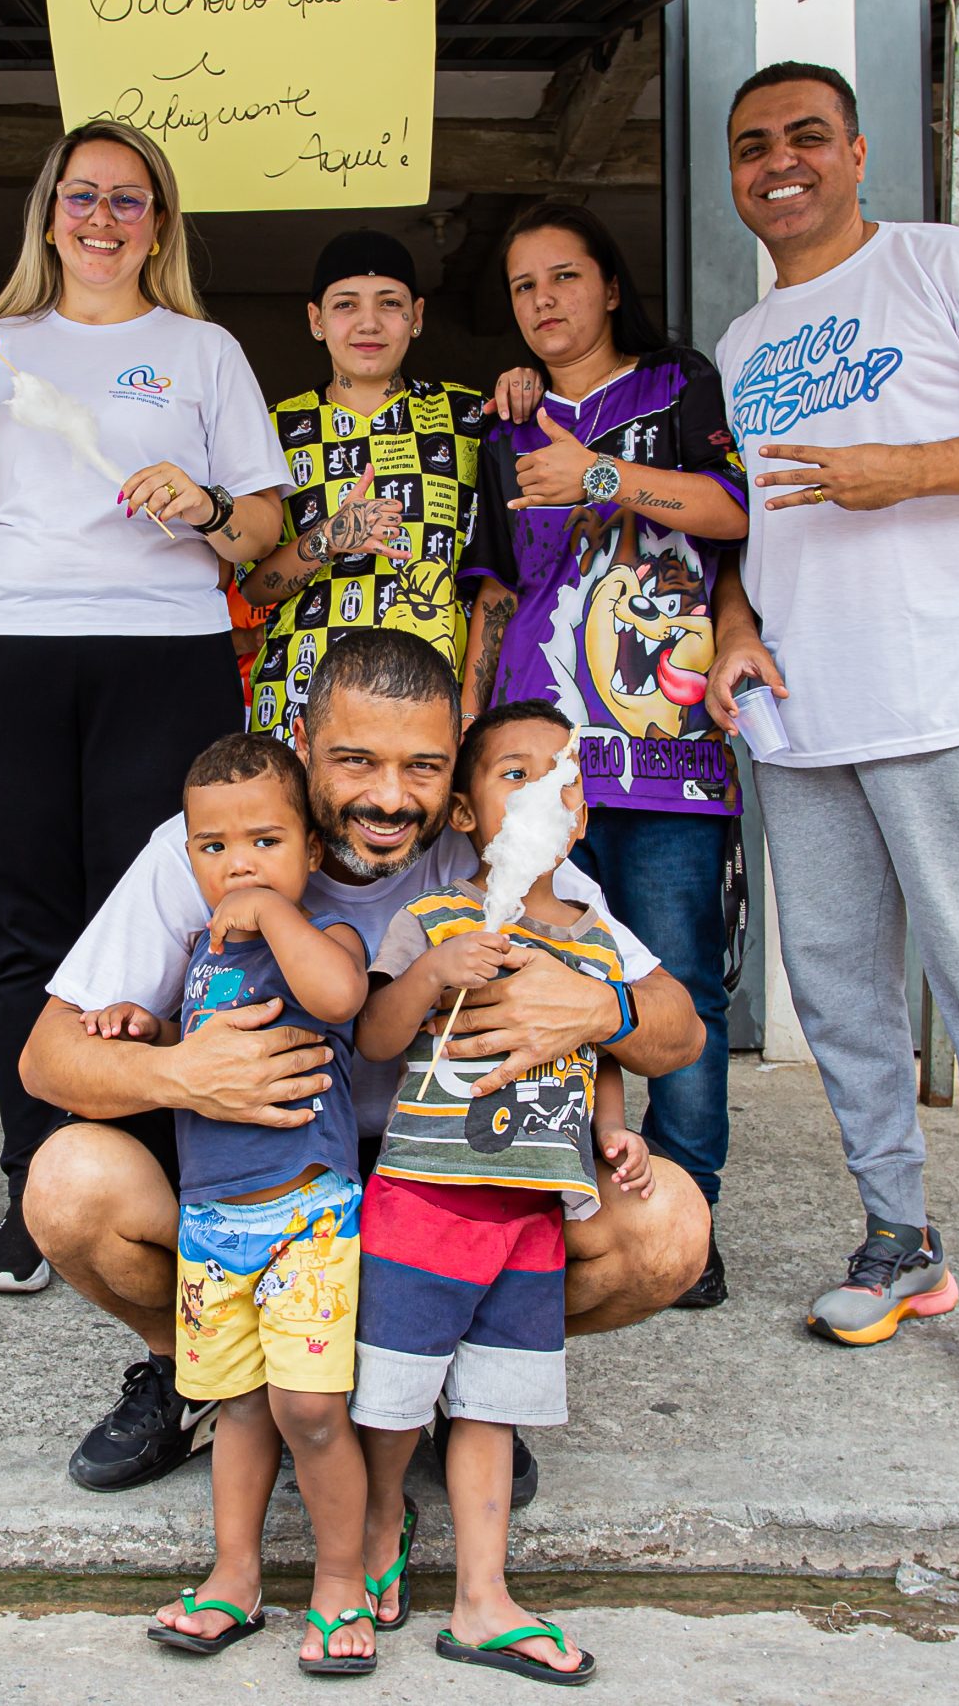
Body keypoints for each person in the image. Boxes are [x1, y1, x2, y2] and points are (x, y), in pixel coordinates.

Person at [19, 629, 710, 1502]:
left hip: (438, 1174)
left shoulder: (500, 842)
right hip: (265, 1171)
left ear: (456, 770)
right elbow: (47, 1057)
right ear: (304, 743)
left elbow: (680, 1031)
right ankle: (196, 1371)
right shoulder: (222, 837)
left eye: (423, 767)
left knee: (668, 1228)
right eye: (356, 761)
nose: (389, 798)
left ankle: (463, 1375)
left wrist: (601, 1007)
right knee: (68, 1184)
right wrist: (183, 1074)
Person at [705, 63, 959, 1408]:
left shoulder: (951, 268)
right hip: (805, 713)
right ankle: (901, 1238)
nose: (780, 161)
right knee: (837, 994)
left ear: (857, 151)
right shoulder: (745, 343)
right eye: (753, 144)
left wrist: (912, 470)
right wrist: (732, 624)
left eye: (805, 136)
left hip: (950, 695)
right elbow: (753, 526)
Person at [0, 120, 292, 1295]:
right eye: (81, 196)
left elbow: (261, 532)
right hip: (4, 655)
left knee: (151, 931)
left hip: (162, 657)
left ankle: (140, 1181)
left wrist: (205, 504)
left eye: (127, 198)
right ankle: (39, 1186)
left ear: (158, 224)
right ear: (50, 214)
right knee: (26, 933)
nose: (102, 217)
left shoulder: (203, 351)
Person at [473, 202, 750, 1309]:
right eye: (524, 285)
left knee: (678, 984)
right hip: (544, 757)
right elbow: (497, 592)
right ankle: (560, 1197)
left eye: (565, 276)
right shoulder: (505, 424)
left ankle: (687, 1214)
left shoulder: (679, 388)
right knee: (543, 971)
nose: (545, 301)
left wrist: (599, 477)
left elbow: (731, 511)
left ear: (610, 285)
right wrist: (471, 738)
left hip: (668, 753)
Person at [352, 700, 656, 1684]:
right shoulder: (435, 919)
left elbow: (603, 1060)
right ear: (467, 814)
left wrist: (613, 1133)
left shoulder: (597, 946)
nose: (541, 792)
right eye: (513, 774)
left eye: (561, 777)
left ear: (581, 812)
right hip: (424, 1204)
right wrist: (433, 974)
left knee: (490, 1407)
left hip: (531, 1220)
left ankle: (482, 1598)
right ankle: (377, 1522)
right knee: (392, 1401)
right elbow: (375, 1038)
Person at [85, 735, 376, 1674]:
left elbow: (341, 996)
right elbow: (197, 1040)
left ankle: (341, 1580)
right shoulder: (201, 954)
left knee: (312, 1408)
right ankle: (234, 1576)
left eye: (265, 842)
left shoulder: (326, 939)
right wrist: (151, 1028)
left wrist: (272, 911)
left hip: (306, 1221)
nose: (239, 864)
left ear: (312, 851)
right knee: (238, 1406)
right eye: (214, 848)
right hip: (214, 1229)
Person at [238, 231, 488, 744]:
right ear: (316, 319)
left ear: (417, 316)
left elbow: (499, 578)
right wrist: (328, 539)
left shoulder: (471, 418)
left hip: (431, 704)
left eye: (390, 303)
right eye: (346, 304)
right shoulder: (273, 428)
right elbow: (253, 587)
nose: (369, 322)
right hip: (303, 700)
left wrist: (471, 713)